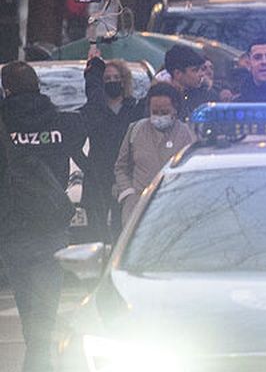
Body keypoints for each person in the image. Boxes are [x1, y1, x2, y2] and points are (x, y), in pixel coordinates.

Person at [1, 61, 83, 372]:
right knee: (44, 314)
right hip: (51, 226)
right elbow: (95, 118)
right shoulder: (58, 121)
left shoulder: (4, 123)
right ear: (37, 86)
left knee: (30, 312)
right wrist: (94, 75)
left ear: (6, 89)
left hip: (14, 228)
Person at [79, 49, 144, 237]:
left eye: (116, 77)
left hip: (127, 177)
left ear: (124, 81)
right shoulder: (93, 111)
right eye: (107, 78)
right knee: (95, 230)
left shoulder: (134, 109)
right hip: (98, 176)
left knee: (123, 229)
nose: (112, 82)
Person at [113, 83, 195, 221]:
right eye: (155, 112)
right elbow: (120, 167)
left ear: (175, 110)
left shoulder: (187, 135)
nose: (159, 116)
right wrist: (128, 192)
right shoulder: (135, 130)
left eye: (164, 112)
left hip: (176, 208)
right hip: (138, 210)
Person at [163, 44, 219, 118]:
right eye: (195, 70)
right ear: (177, 73)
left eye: (201, 69)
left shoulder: (208, 96)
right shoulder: (160, 98)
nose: (202, 74)